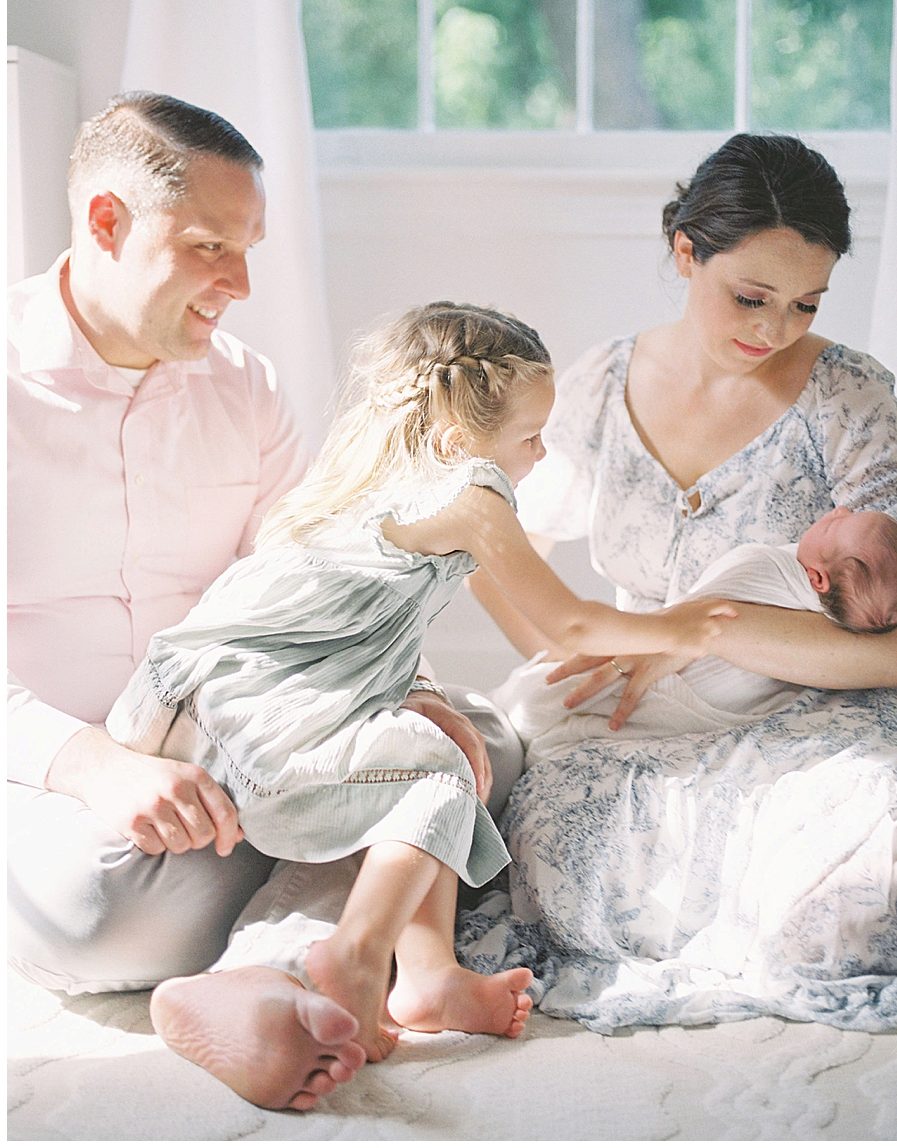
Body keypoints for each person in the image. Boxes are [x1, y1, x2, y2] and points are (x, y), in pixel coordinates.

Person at [7, 92, 523, 1112]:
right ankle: (324, 943)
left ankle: (282, 974)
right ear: (106, 222)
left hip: (258, 739)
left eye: (246, 250)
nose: (238, 285)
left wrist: (403, 697)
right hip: (62, 781)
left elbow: (328, 585)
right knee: (83, 914)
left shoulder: (245, 388)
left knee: (481, 746)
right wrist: (91, 765)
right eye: (209, 247)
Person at [105, 300, 742, 1074]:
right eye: (530, 437)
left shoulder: (375, 485)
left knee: (442, 743)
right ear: (457, 441)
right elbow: (568, 625)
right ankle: (359, 954)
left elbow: (341, 628)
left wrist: (422, 696)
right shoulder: (471, 492)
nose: (541, 455)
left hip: (204, 692)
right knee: (432, 769)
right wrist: (686, 628)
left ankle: (430, 973)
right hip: (234, 710)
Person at [462, 133, 897, 1033]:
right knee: (554, 854)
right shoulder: (597, 387)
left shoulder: (851, 397)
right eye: (751, 296)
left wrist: (704, 630)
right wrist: (570, 662)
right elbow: (496, 550)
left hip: (833, 710)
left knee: (867, 886)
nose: (776, 328)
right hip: (650, 728)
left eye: (805, 303)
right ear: (684, 252)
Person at [494, 508, 897, 766]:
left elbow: (685, 619)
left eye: (835, 526)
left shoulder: (765, 567)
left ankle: (516, 719)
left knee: (539, 701)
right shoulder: (835, 620)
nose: (838, 509)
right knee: (580, 710)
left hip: (687, 689)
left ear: (816, 577)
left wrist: (657, 638)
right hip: (702, 700)